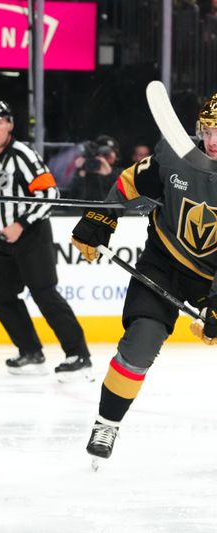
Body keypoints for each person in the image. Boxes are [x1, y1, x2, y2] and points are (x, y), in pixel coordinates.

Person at [71, 92, 217, 464]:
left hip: (212, 278)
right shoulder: (174, 157)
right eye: (208, 130)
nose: (213, 141)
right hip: (164, 264)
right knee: (141, 340)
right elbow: (129, 185)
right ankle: (107, 423)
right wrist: (99, 220)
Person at [0, 100, 92, 378]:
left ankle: (79, 355)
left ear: (10, 124)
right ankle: (30, 350)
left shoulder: (23, 154)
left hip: (32, 235)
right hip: (6, 239)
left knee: (45, 294)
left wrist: (21, 223)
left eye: (0, 121)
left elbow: (50, 194)